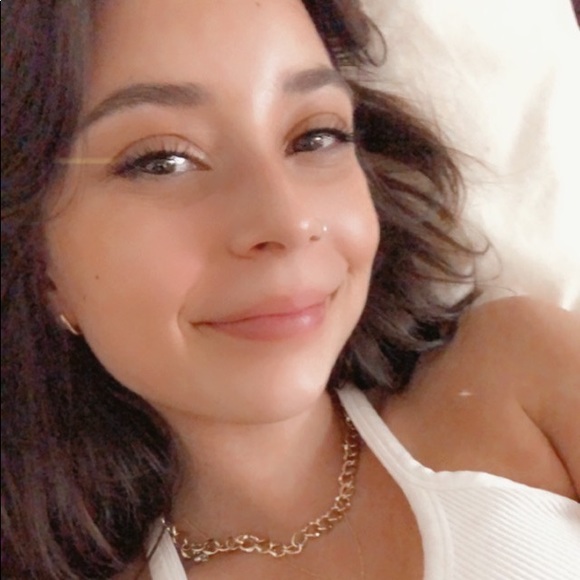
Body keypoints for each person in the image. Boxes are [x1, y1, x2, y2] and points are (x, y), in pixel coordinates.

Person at [1, 0, 578, 578]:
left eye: (315, 137)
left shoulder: (519, 371)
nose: (287, 220)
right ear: (40, 263)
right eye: (162, 162)